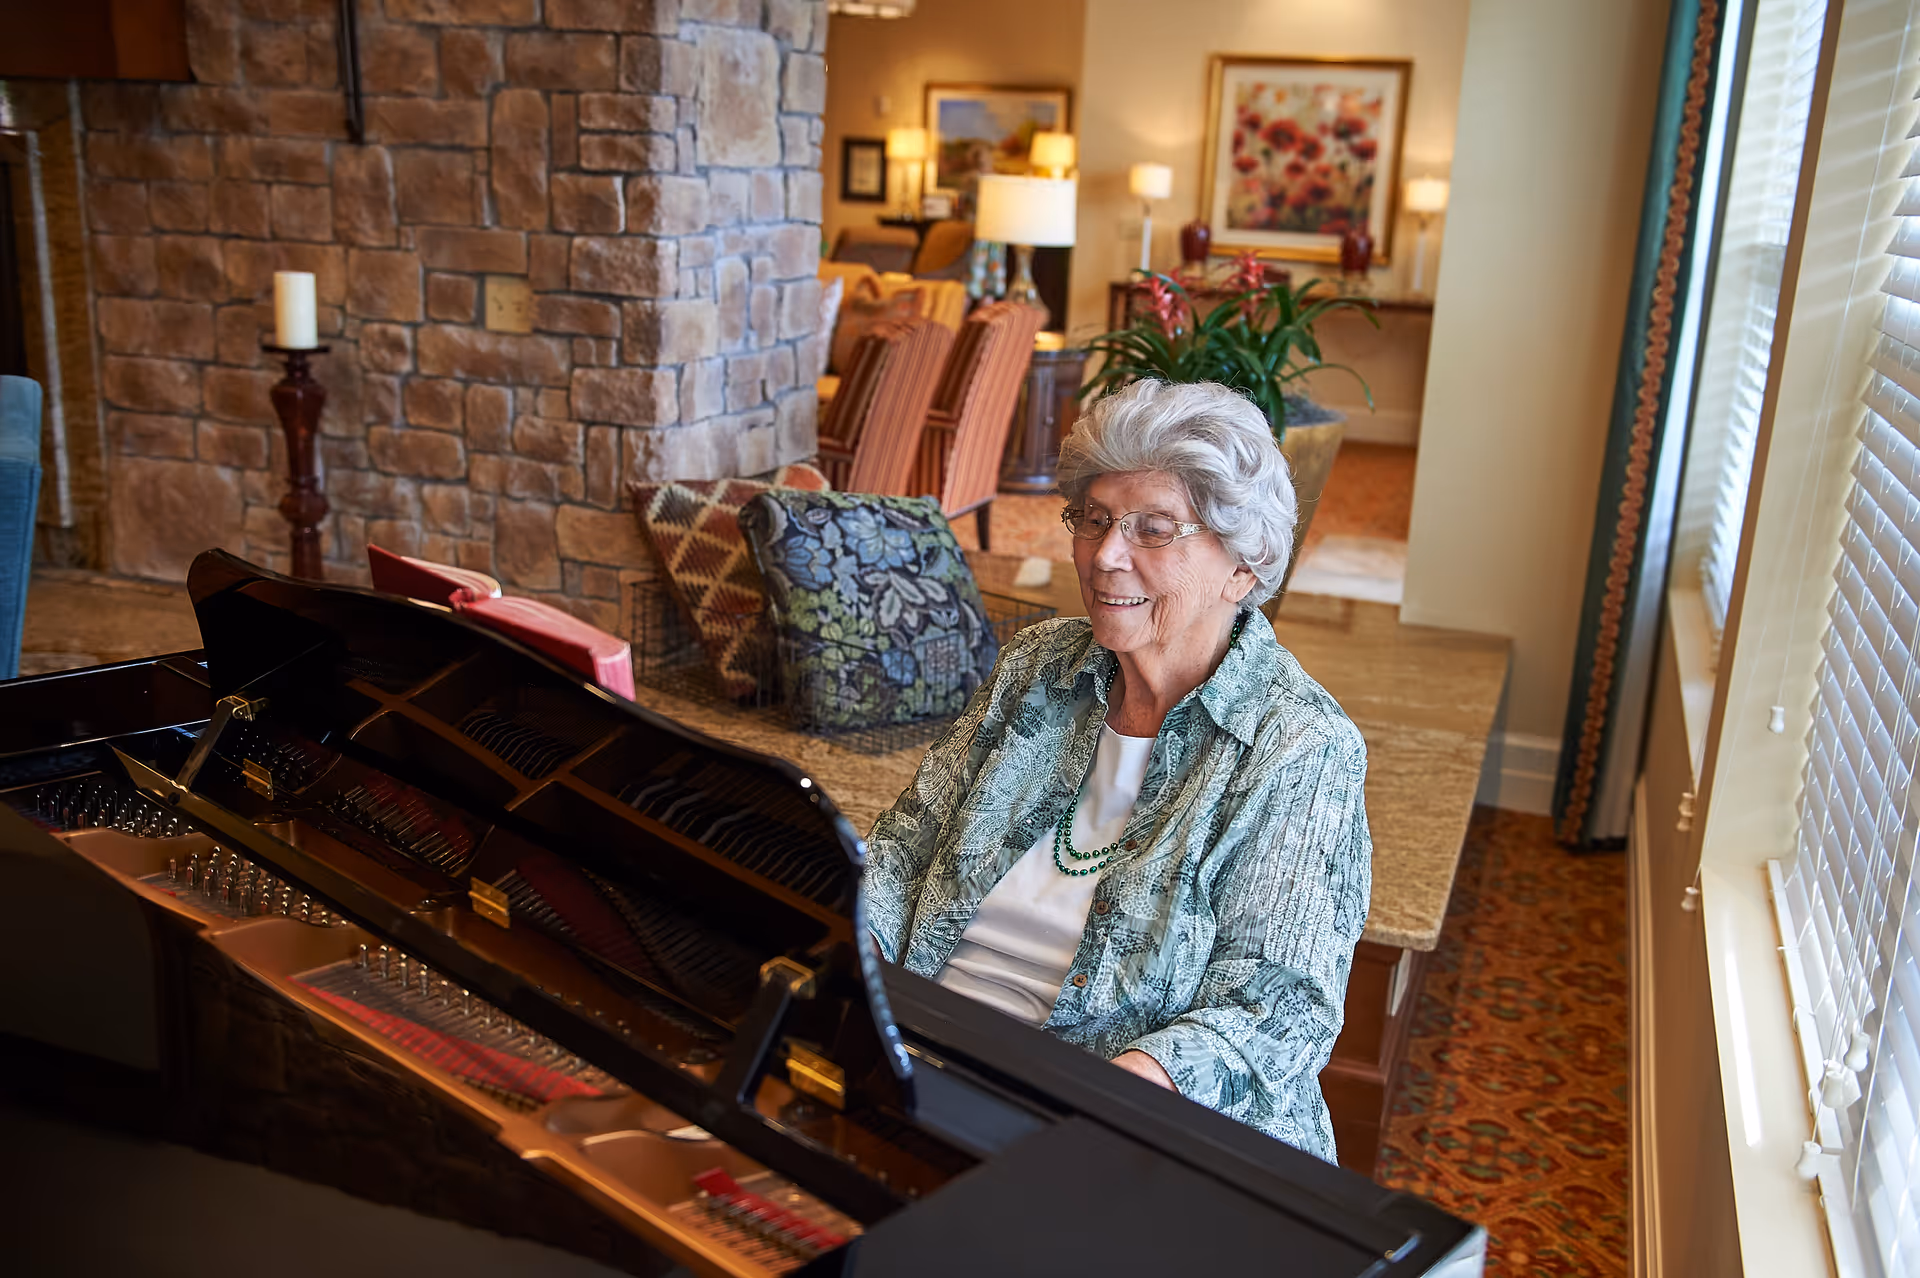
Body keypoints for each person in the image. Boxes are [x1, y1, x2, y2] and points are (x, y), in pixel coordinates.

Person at [863, 378, 1371, 1161]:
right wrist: (849, 968)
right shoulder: (1040, 666)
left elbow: (1279, 1012)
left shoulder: (1297, 745)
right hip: (932, 1078)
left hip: (1134, 1147)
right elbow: (904, 849)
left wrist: (1103, 1102)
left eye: (1152, 529)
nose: (1105, 555)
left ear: (1242, 566)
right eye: (1093, 520)